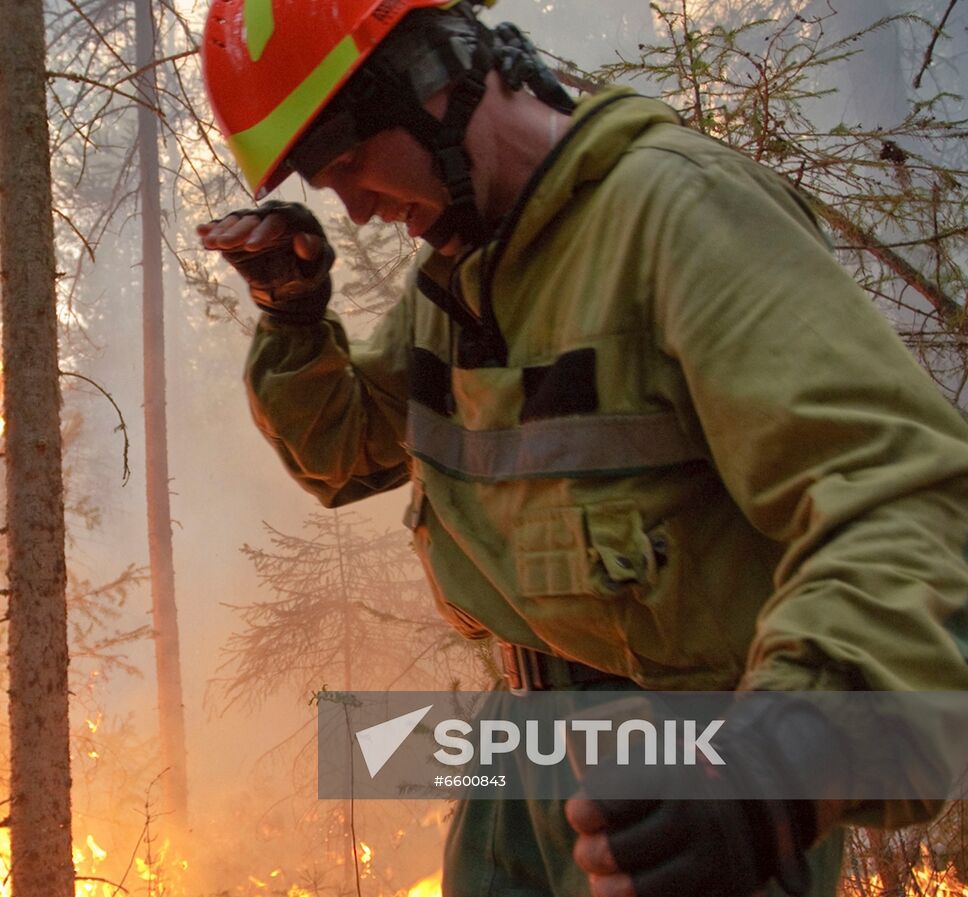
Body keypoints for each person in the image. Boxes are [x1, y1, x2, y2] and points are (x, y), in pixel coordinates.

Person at [196, 1, 968, 895]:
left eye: (347, 162)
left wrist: (781, 763)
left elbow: (906, 499)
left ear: (428, 81)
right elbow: (349, 447)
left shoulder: (676, 213)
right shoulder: (468, 268)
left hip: (686, 779)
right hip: (518, 757)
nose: (357, 210)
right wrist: (293, 315)